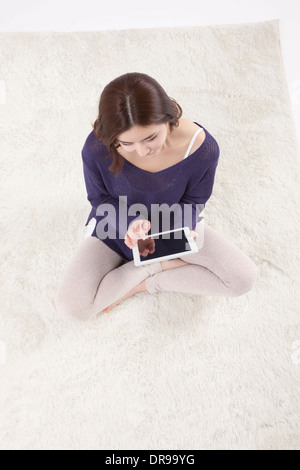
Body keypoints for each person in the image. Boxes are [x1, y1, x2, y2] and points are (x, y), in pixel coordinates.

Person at [55, 72, 258, 322]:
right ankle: (155, 268)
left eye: (150, 137)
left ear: (169, 117)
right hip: (115, 227)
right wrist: (130, 224)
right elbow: (99, 200)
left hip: (171, 227)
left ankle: (145, 283)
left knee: (243, 278)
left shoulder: (202, 148)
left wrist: (182, 228)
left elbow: (194, 201)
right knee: (71, 308)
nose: (142, 150)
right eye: (126, 143)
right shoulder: (97, 147)